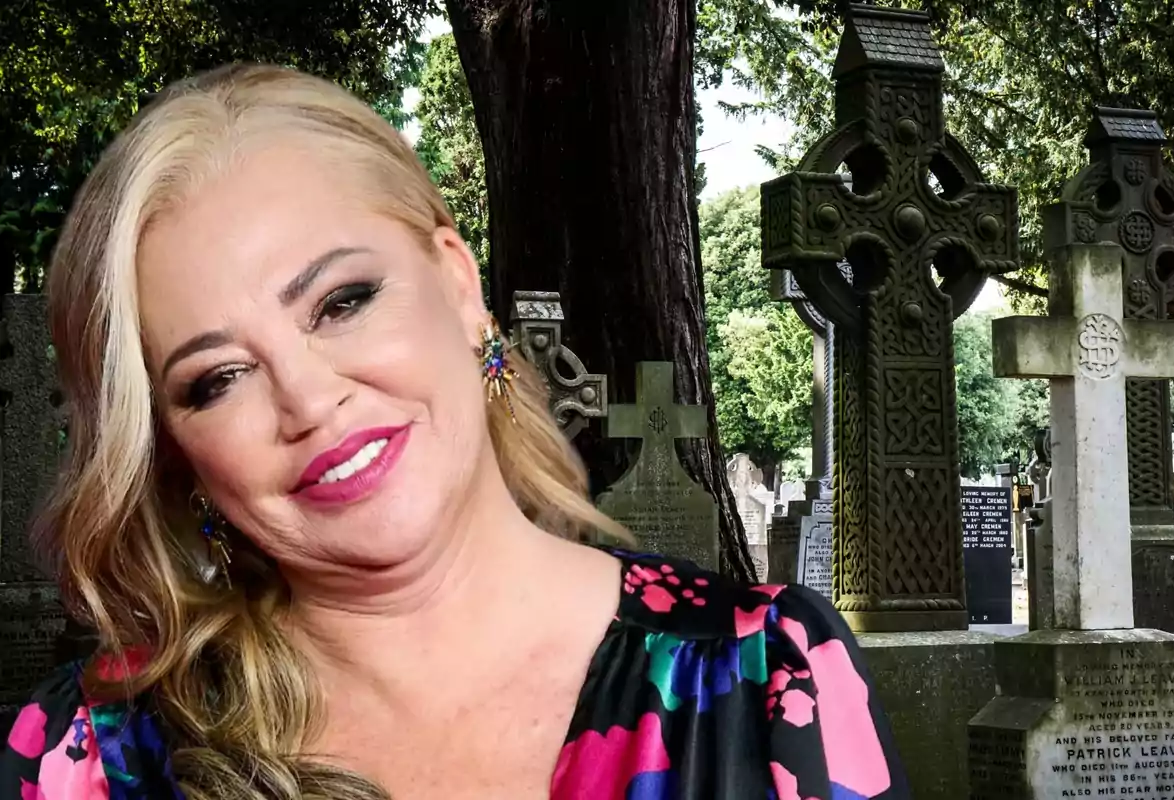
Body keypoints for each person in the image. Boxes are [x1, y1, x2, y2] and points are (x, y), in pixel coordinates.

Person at [0, 64, 908, 800]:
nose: (309, 401)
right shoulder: (80, 764)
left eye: (342, 301)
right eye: (217, 380)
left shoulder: (770, 686)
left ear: (461, 287)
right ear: (172, 452)